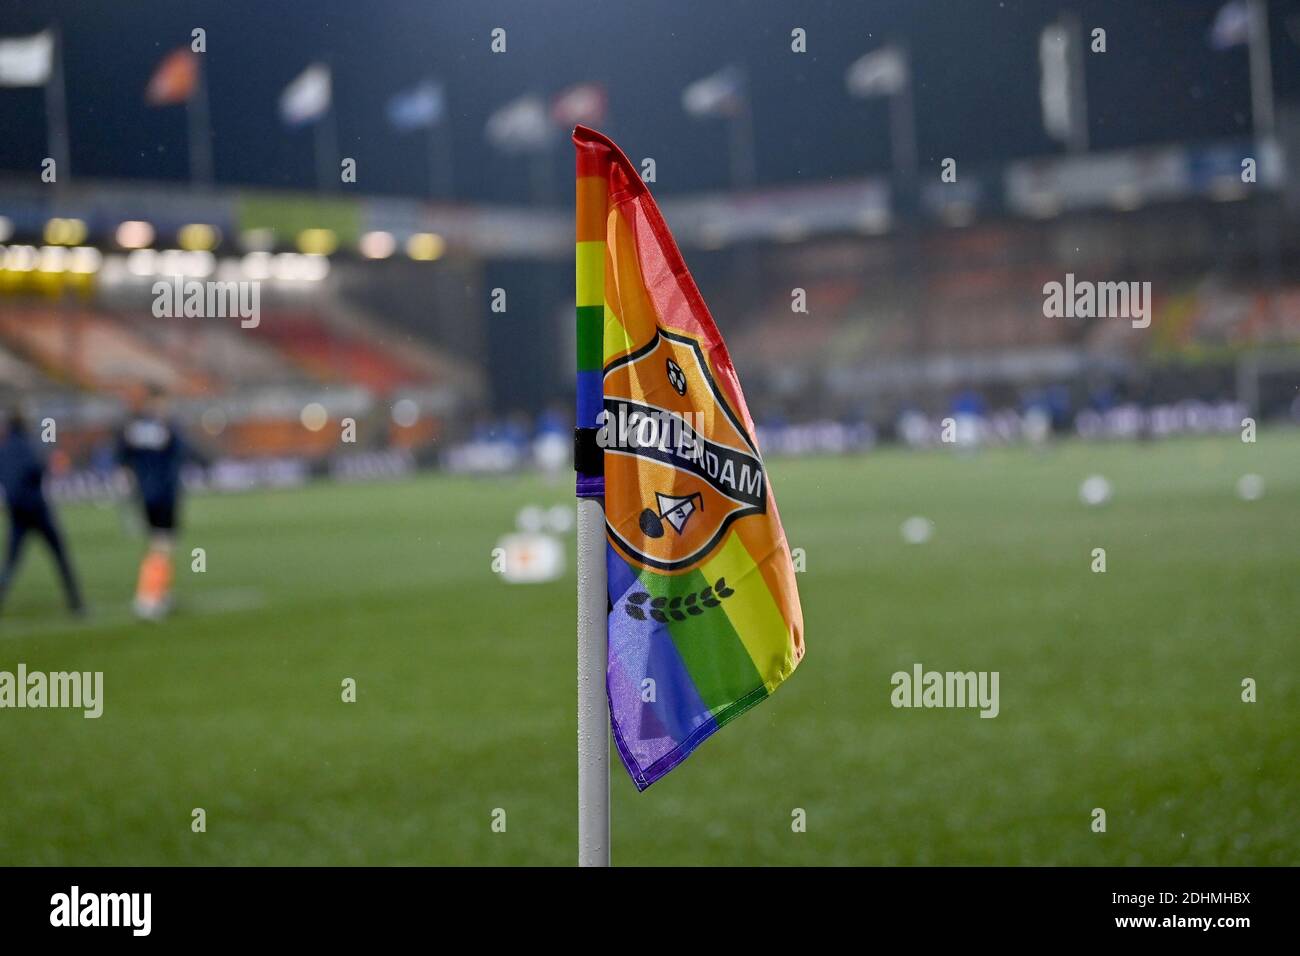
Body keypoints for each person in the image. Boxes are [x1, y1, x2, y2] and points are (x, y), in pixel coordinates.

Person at [115, 387, 205, 620]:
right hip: (164, 492)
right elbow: (185, 452)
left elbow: (122, 459)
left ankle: (160, 593)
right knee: (163, 544)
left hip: (144, 494)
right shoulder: (166, 427)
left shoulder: (132, 427)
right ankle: (148, 598)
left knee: (158, 542)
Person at [0, 410, 85, 616]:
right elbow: (39, 471)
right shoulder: (31, 446)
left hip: (16, 511)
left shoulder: (4, 450)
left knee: (11, 561)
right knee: (59, 555)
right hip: (37, 510)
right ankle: (75, 601)